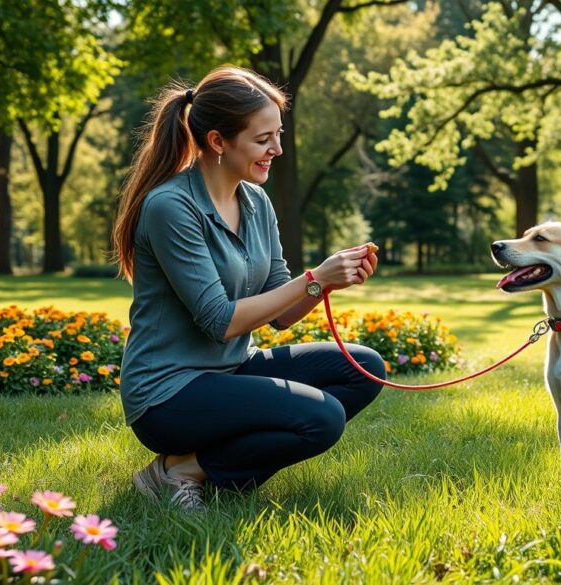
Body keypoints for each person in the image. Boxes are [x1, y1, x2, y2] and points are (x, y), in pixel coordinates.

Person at [111, 66, 385, 512]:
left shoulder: (255, 200)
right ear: (218, 142)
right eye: (263, 139)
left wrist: (329, 283)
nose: (277, 149)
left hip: (233, 368)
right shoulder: (170, 207)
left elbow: (280, 312)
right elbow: (221, 322)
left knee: (363, 368)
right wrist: (315, 277)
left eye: (278, 134)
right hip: (169, 393)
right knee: (322, 418)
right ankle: (179, 471)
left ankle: (201, 471)